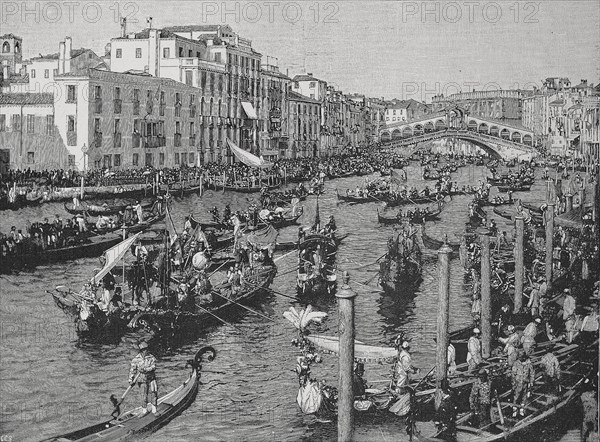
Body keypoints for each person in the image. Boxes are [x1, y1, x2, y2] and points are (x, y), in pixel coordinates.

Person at [128, 341, 158, 415]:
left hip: (151, 379)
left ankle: (154, 409)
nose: (146, 351)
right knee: (143, 395)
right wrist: (130, 380)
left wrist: (145, 369)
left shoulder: (151, 357)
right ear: (141, 351)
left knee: (154, 393)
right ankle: (144, 410)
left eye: (147, 349)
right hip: (142, 380)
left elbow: (153, 367)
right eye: (144, 349)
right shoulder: (135, 360)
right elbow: (132, 371)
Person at [511, 352, 534, 417]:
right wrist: (513, 384)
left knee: (524, 397)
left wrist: (531, 382)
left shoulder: (528, 363)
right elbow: (513, 374)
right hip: (518, 383)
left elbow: (532, 373)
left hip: (525, 383)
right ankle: (514, 412)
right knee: (516, 397)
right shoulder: (516, 363)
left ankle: (521, 411)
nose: (520, 358)